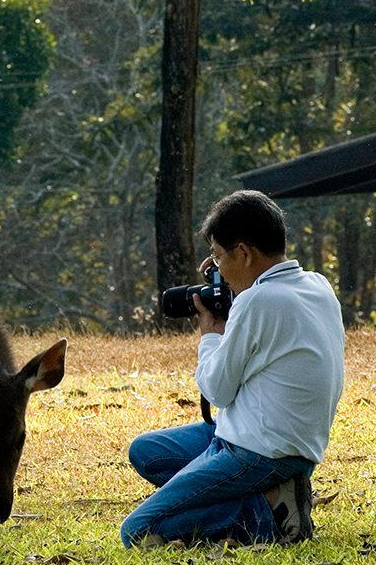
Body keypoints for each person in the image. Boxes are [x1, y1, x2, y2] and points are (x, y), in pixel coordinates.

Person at [120, 190, 345, 547]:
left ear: (243, 252)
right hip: (286, 443)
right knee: (148, 452)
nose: (217, 269)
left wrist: (210, 335)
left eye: (218, 257)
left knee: (136, 531)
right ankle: (276, 493)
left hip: (258, 451)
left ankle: (264, 515)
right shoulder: (317, 285)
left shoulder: (257, 301)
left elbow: (217, 391)